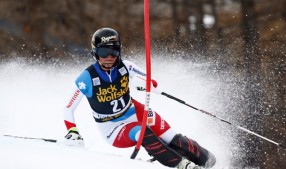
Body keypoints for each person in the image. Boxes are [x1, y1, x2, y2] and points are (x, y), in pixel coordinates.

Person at [63, 27, 216, 169]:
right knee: (143, 132)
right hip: (112, 127)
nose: (109, 57)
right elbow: (68, 108)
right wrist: (73, 131)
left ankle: (207, 159)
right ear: (95, 52)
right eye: (104, 52)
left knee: (171, 137)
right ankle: (183, 165)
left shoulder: (126, 66)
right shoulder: (87, 77)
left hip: (134, 110)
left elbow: (152, 81)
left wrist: (144, 83)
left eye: (114, 52)